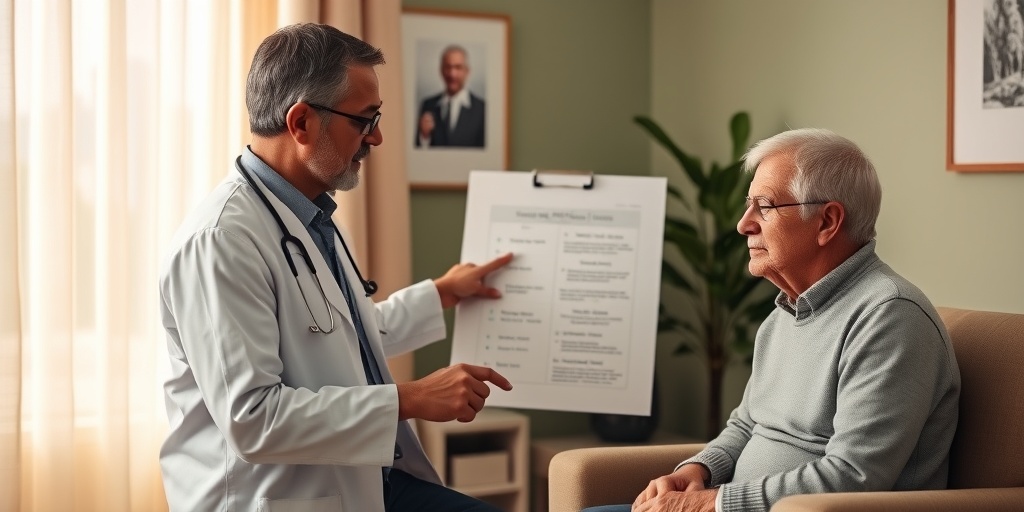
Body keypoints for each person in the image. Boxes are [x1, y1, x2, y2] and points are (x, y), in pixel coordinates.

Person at [159, 23, 514, 512]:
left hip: (360, 479)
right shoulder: (221, 242)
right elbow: (253, 418)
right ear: (301, 122)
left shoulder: (308, 213)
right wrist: (409, 399)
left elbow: (339, 338)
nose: (379, 137)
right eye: (365, 120)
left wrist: (443, 292)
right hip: (277, 497)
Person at [585, 129, 961, 512]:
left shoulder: (890, 318)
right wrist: (700, 470)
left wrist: (710, 504)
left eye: (763, 206)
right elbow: (747, 425)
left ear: (827, 221)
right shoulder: (788, 311)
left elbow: (855, 475)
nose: (743, 224)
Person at [414, 44, 486, 148]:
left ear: (467, 71)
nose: (452, 74)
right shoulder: (428, 105)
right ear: (441, 70)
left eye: (458, 67)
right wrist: (424, 136)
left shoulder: (482, 109)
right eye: (448, 67)